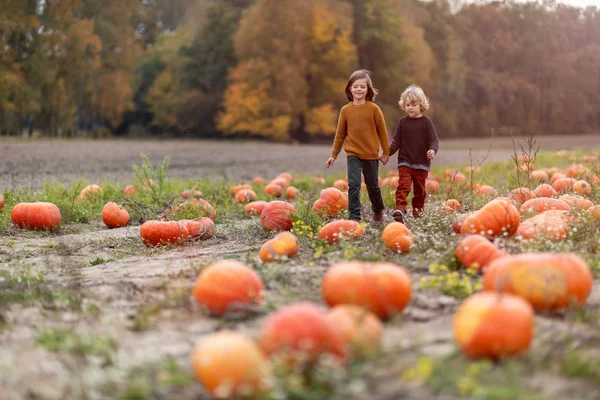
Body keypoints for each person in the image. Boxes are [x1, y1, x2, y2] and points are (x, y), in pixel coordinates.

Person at [325, 69, 390, 223]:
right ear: (349, 89)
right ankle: (354, 217)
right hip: (352, 154)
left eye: (362, 86)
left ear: (368, 89)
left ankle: (378, 209)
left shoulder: (374, 109)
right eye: (355, 86)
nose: (359, 89)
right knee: (353, 185)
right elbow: (340, 135)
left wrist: (386, 152)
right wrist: (333, 155)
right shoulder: (345, 111)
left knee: (373, 186)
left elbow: (382, 132)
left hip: (370, 154)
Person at [383, 84, 439, 224]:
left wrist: (432, 150)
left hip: (421, 163)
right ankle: (400, 209)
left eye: (413, 104)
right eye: (407, 104)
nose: (410, 107)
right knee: (403, 186)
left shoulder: (426, 122)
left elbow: (434, 140)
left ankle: (418, 213)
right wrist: (387, 153)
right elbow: (396, 141)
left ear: (421, 105)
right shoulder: (403, 122)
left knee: (420, 191)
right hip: (405, 162)